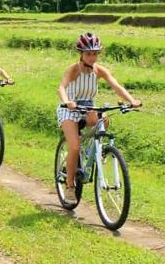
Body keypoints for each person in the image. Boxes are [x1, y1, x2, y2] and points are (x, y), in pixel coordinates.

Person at [56, 32, 141, 203]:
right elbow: (62, 87)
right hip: (69, 108)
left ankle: (95, 151)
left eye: (95, 53)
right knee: (74, 146)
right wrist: (67, 102)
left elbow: (116, 86)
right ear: (81, 53)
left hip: (88, 106)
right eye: (88, 53)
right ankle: (70, 186)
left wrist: (131, 101)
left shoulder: (99, 70)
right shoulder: (74, 69)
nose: (92, 57)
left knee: (105, 119)